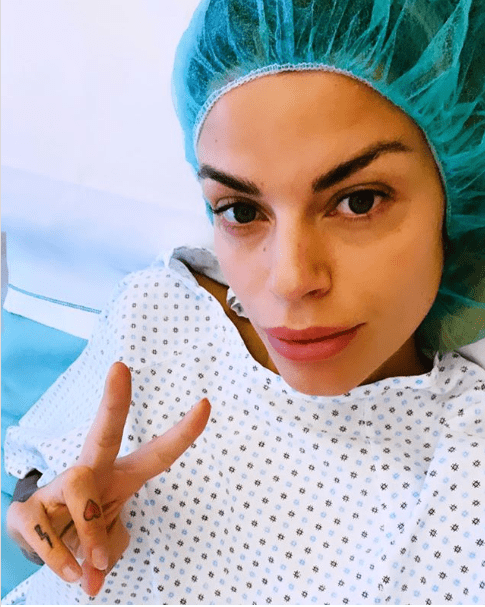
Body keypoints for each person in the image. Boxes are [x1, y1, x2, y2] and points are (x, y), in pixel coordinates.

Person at [4, 0, 485, 604]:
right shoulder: (161, 310)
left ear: (459, 199)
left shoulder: (466, 463)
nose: (289, 280)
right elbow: (40, 486)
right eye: (241, 210)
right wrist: (52, 520)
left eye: (358, 201)